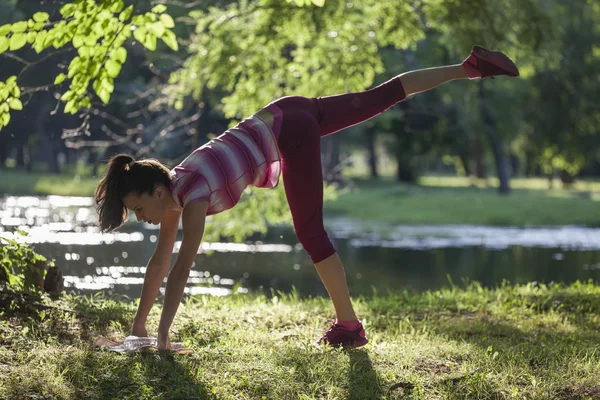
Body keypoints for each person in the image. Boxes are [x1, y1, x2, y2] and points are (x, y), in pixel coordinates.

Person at [95, 45, 519, 349]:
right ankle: (470, 67)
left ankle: (349, 326)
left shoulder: (192, 198)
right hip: (283, 109)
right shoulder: (176, 188)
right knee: (380, 96)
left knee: (309, 230)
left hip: (288, 131)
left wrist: (164, 335)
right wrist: (139, 326)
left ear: (155, 190)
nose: (141, 218)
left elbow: (182, 266)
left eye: (137, 209)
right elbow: (160, 263)